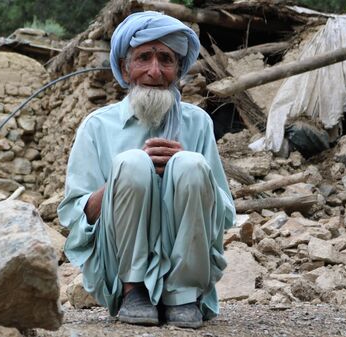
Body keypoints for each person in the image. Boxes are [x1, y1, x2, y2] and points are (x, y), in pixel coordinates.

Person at [57, 11, 235, 329]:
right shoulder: (97, 126)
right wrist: (120, 181)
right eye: (143, 58)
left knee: (192, 164)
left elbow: (223, 214)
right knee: (131, 163)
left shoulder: (198, 123)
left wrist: (194, 171)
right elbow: (74, 215)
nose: (154, 71)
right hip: (117, 262)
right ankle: (133, 290)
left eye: (165, 59)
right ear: (126, 70)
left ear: (178, 70)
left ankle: (184, 295)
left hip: (189, 268)